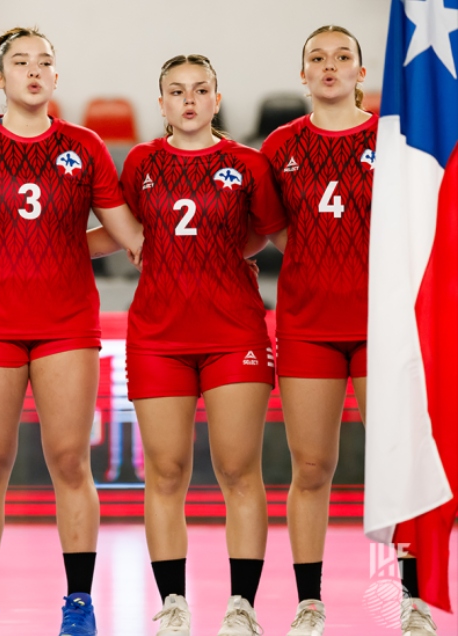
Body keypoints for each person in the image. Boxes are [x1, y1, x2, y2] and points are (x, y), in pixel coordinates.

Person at [0, 27, 143, 636]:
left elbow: (125, 235)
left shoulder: (85, 146)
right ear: (0, 78)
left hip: (66, 323)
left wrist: (66, 247)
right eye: (21, 62)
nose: (34, 71)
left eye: (45, 62)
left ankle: (79, 603)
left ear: (55, 77)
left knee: (70, 461)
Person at [262, 25, 433, 636]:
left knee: (396, 464)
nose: (329, 66)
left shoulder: (395, 138)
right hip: (308, 326)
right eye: (316, 57)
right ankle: (310, 603)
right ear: (302, 73)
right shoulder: (279, 147)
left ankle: (413, 600)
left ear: (362, 73)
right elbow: (271, 232)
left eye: (342, 58)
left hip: (382, 328)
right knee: (311, 468)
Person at [119, 54, 287, 636]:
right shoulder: (141, 162)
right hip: (157, 335)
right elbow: (125, 231)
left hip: (232, 331)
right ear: (160, 102)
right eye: (176, 91)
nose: (188, 100)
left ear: (217, 100)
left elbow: (266, 230)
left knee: (238, 470)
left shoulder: (247, 164)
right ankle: (173, 603)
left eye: (200, 90)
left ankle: (241, 605)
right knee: (165, 473)